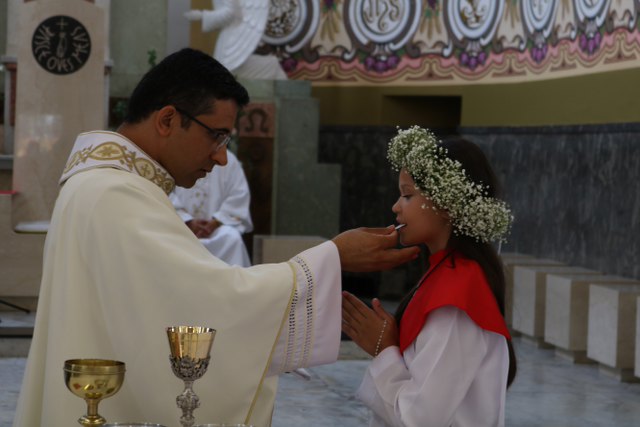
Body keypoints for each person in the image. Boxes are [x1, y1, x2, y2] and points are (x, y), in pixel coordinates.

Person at [12, 48, 419, 427]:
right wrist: (332, 257)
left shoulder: (102, 182)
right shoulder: (114, 193)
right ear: (167, 120)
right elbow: (207, 300)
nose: (222, 156)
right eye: (217, 136)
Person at [342, 127, 517, 427]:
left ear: (447, 205)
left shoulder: (456, 296)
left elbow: (421, 418)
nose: (395, 206)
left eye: (407, 195)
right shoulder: (445, 274)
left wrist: (384, 350)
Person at [170, 149, 253, 267]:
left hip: (216, 230)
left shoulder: (228, 160)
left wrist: (215, 222)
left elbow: (238, 194)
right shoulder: (179, 154)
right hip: (180, 226)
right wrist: (187, 220)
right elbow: (165, 191)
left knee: (232, 237)